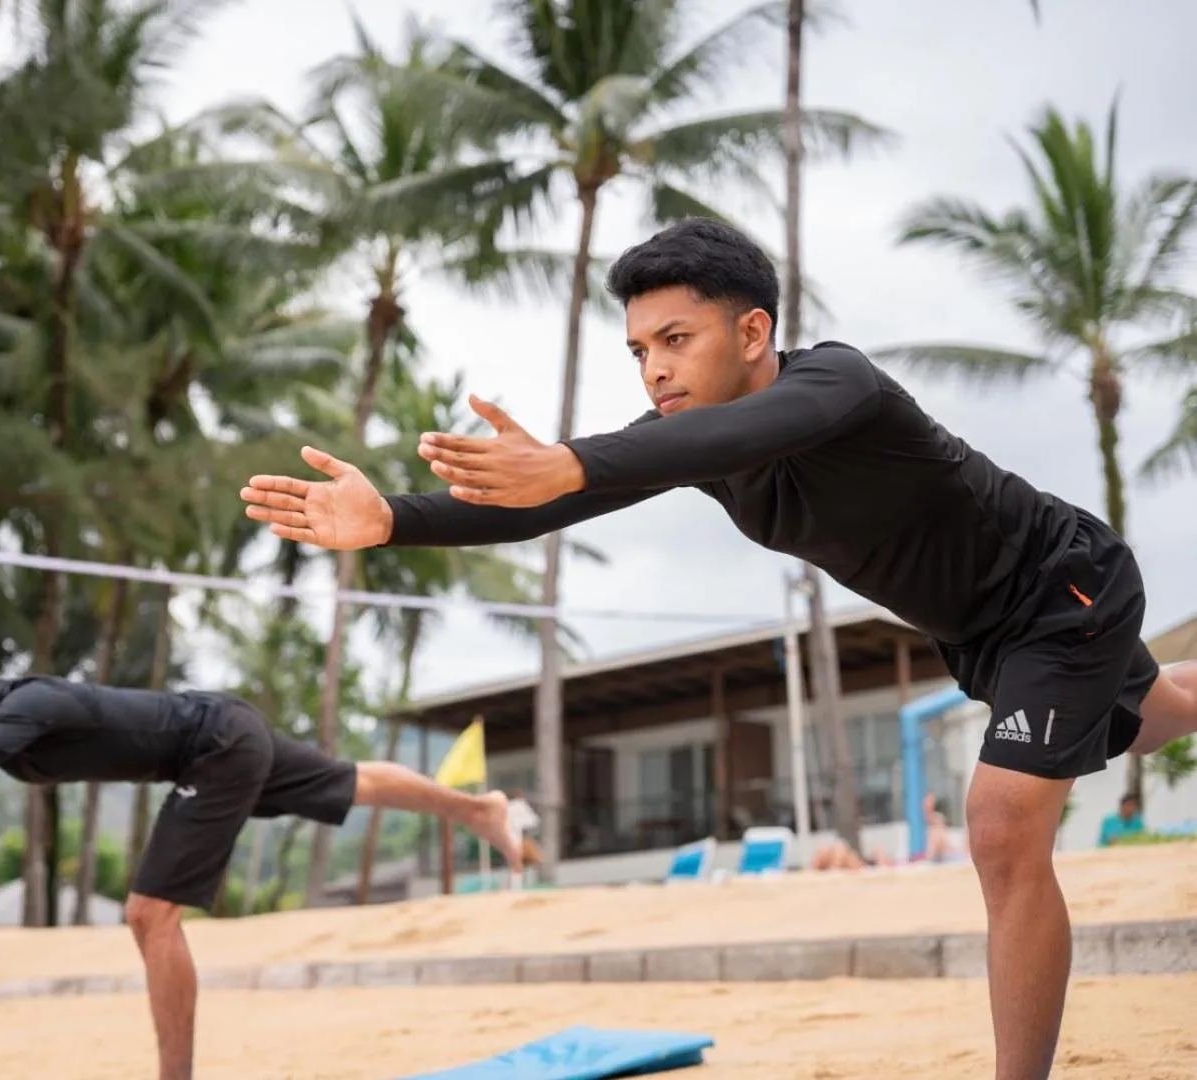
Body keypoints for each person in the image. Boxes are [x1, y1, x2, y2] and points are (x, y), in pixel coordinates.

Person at [239, 217, 1197, 1080]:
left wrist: (570, 460)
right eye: (638, 350)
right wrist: (389, 524)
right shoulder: (690, 444)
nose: (653, 369)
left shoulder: (840, 384)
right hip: (981, 634)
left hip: (1061, 587)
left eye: (674, 341)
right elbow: (554, 501)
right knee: (1155, 720)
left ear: (752, 332)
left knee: (999, 826)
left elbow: (699, 442)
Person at [0, 640, 522, 1080]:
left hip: (217, 744)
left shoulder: (24, 710)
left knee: (148, 914)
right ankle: (475, 807)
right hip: (217, 739)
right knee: (348, 782)